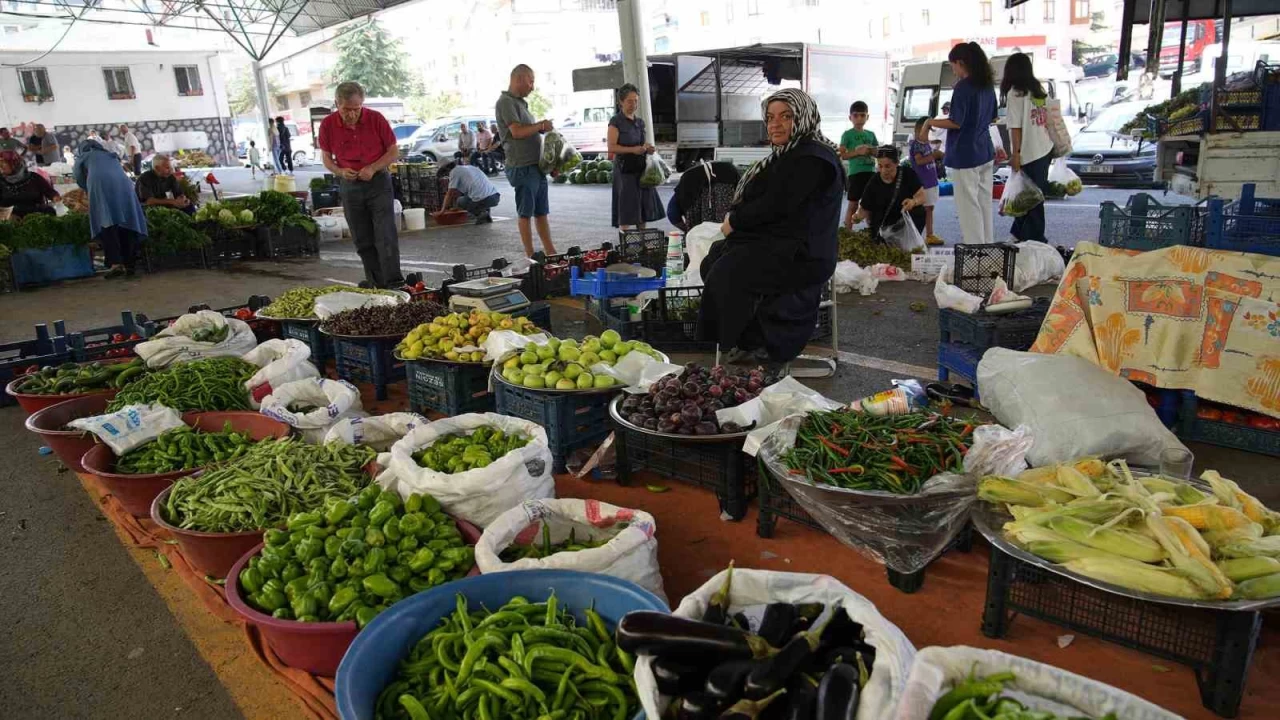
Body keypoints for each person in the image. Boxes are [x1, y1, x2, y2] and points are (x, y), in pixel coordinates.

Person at [698, 88, 844, 367]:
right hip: (782, 243)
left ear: (803, 118)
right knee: (715, 259)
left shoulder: (812, 159)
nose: (775, 124)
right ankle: (749, 339)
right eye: (770, 117)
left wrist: (735, 222)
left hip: (804, 254)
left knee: (727, 271)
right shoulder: (790, 154)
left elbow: (776, 205)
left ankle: (766, 344)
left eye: (786, 116)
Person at [317, 81, 403, 287]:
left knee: (385, 234)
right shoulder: (327, 125)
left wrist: (373, 168)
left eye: (356, 109)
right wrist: (340, 171)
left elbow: (393, 151)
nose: (352, 114)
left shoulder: (376, 119)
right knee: (362, 238)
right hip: (350, 185)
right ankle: (376, 283)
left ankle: (394, 282)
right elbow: (326, 157)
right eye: (347, 109)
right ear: (337, 104)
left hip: (378, 182)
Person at [926, 42, 1000, 245]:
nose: (953, 71)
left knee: (968, 206)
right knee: (984, 203)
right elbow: (993, 117)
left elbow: (955, 122)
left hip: (966, 154)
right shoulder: (986, 85)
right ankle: (987, 247)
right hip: (985, 151)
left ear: (961, 63)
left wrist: (930, 122)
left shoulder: (963, 87)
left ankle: (974, 250)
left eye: (953, 66)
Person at [496, 64, 556, 257]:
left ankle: (550, 252)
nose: (532, 86)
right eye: (531, 81)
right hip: (522, 166)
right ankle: (530, 255)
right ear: (519, 79)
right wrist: (540, 125)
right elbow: (516, 132)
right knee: (525, 213)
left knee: (541, 212)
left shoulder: (521, 103)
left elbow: (527, 131)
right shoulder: (506, 102)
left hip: (536, 166)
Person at [73, 139, 148, 279]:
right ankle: (130, 264)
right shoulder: (109, 154)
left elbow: (78, 176)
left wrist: (87, 187)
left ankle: (115, 264)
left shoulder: (84, 156)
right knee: (126, 222)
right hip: (124, 186)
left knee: (107, 223)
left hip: (101, 187)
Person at [1002, 52, 1055, 244]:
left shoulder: (1016, 94)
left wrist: (1015, 154)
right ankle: (1018, 234)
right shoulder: (1038, 90)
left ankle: (1037, 239)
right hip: (1045, 148)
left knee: (1030, 198)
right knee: (1032, 195)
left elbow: (1016, 127)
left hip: (1029, 152)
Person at [608, 83, 663, 230]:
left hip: (640, 168)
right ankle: (625, 239)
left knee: (643, 207)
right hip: (624, 170)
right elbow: (612, 147)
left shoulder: (639, 123)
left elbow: (641, 143)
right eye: (630, 101)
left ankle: (642, 239)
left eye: (636, 101)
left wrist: (647, 148)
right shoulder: (615, 122)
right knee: (626, 207)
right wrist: (633, 150)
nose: (634, 105)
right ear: (621, 102)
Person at [853, 146, 927, 243]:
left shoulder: (908, 174)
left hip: (903, 221)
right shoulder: (874, 181)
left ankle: (910, 241)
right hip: (882, 225)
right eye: (880, 166)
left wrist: (913, 202)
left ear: (897, 163)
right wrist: (857, 217)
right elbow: (864, 208)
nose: (883, 171)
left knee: (919, 211)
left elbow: (922, 196)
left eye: (888, 166)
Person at [665, 160, 739, 232]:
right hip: (727, 174)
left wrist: (687, 230)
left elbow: (672, 214)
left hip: (724, 177)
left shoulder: (684, 191)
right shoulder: (684, 190)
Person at [837, 101, 877, 231]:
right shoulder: (847, 134)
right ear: (850, 117)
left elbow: (877, 152)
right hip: (855, 174)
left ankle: (872, 232)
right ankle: (847, 232)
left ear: (867, 117)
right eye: (856, 115)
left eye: (862, 115)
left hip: (871, 172)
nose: (859, 118)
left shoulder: (871, 134)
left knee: (870, 205)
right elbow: (843, 155)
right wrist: (857, 152)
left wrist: (871, 151)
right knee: (853, 204)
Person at [908, 117, 944, 244]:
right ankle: (922, 234)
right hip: (923, 183)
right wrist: (934, 155)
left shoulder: (926, 143)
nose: (927, 134)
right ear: (917, 131)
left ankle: (929, 234)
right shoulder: (916, 145)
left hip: (931, 181)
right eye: (926, 131)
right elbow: (919, 161)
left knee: (930, 208)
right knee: (923, 209)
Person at [442, 152, 500, 224]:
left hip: (485, 199)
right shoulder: (470, 167)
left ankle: (481, 213)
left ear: (447, 169)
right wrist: (456, 207)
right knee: (472, 196)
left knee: (461, 201)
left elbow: (449, 193)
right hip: (495, 196)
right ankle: (485, 213)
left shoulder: (454, 172)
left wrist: (442, 210)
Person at [0, 149, 60, 218]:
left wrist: (55, 197)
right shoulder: (1, 181)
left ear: (14, 163)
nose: (0, 166)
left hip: (36, 217)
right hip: (9, 218)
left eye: (3, 163)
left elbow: (49, 191)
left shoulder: (34, 178)